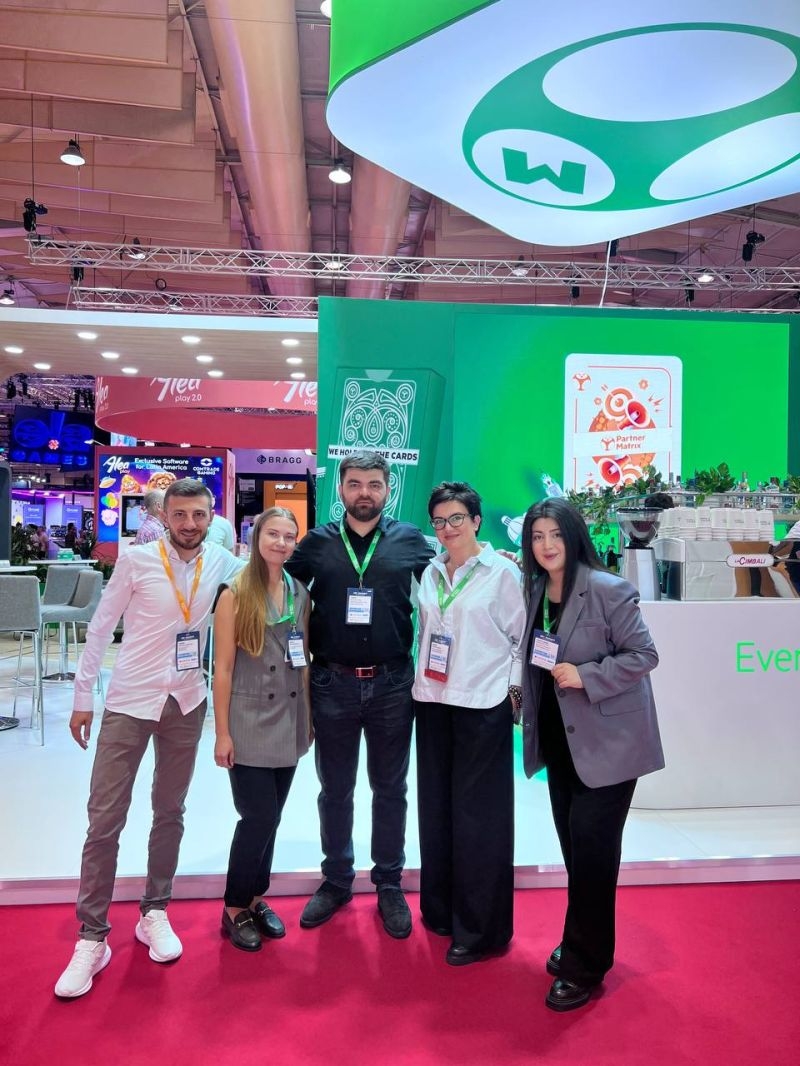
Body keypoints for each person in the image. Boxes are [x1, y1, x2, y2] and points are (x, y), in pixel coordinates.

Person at [54, 478, 244, 999]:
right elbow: (100, 628)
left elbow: (273, 571)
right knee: (105, 818)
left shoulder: (223, 564)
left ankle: (154, 910)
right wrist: (82, 698)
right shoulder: (137, 562)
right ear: (164, 517)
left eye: (199, 515)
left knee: (170, 812)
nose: (190, 524)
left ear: (212, 517)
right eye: (180, 515)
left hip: (186, 701)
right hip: (129, 702)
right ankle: (92, 936)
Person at [520, 498, 664, 1013]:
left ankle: (585, 965)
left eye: (555, 534)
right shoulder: (536, 590)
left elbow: (644, 655)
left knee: (594, 856)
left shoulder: (607, 589)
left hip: (609, 746)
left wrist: (588, 675)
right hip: (562, 744)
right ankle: (584, 942)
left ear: (574, 536)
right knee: (577, 853)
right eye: (537, 536)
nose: (546, 545)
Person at [285, 449, 433, 938]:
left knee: (391, 789)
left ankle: (389, 882)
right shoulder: (317, 544)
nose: (364, 493)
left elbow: (452, 583)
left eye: (373, 484)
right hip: (333, 682)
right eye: (354, 484)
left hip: (393, 683)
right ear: (341, 489)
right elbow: (276, 587)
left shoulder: (410, 540)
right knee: (336, 789)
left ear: (388, 489)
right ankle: (337, 879)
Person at [412, 482, 525, 966]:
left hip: (482, 704)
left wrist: (513, 695)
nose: (447, 528)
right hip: (432, 701)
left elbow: (522, 639)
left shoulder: (502, 573)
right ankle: (441, 910)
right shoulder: (431, 571)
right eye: (439, 521)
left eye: (456, 518)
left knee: (480, 820)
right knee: (437, 811)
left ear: (476, 521)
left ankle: (481, 930)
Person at [213, 508, 312, 951]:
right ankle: (234, 905)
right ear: (257, 538)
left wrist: (308, 718)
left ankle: (256, 897)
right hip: (248, 719)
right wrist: (222, 732)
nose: (281, 543)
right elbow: (222, 669)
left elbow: (304, 660)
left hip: (289, 718)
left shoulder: (299, 592)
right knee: (258, 816)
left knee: (274, 817)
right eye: (273, 534)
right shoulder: (235, 593)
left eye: (289, 536)